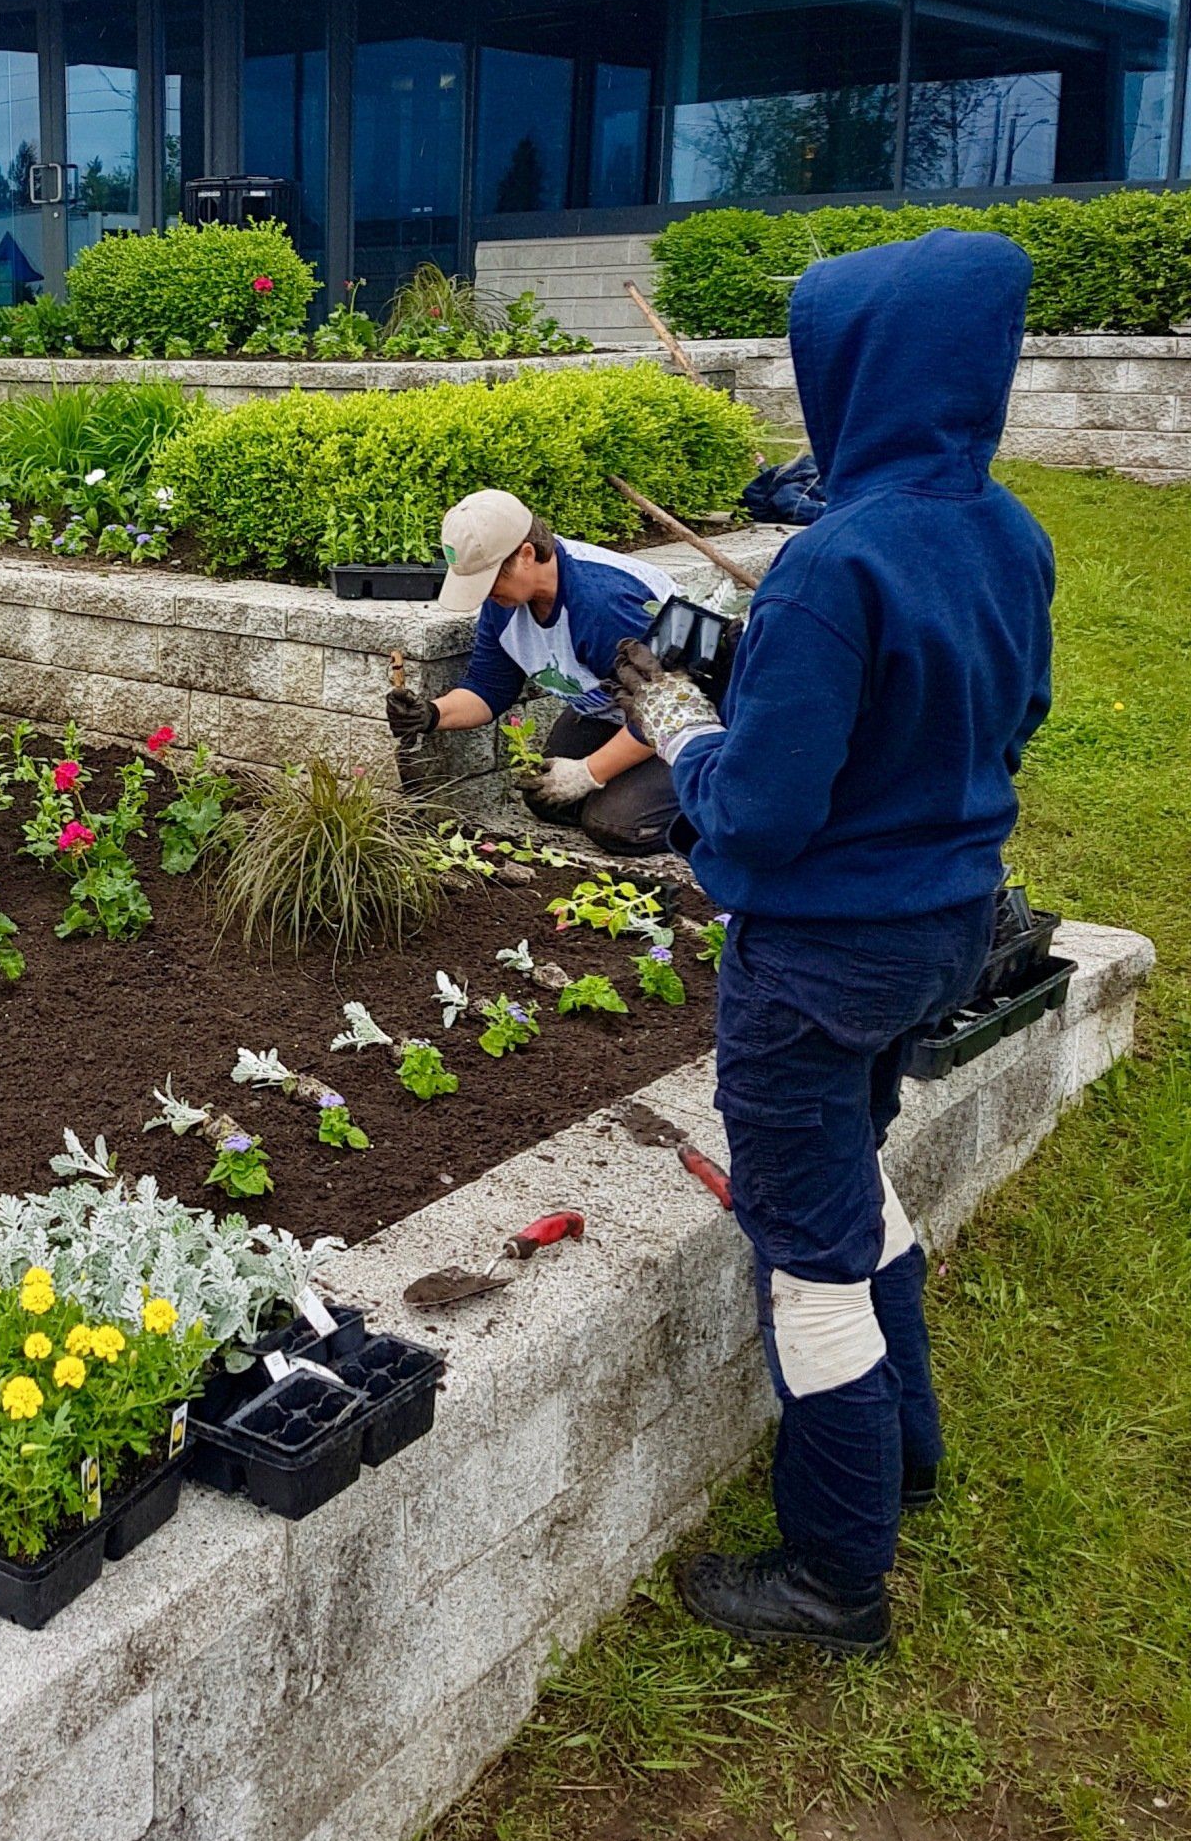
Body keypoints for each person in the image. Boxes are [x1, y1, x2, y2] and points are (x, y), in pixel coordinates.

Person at [614, 228, 1054, 1658]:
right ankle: (905, 1451)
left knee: (806, 1255)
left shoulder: (829, 569)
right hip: (943, 929)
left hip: (814, 969)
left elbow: (757, 825)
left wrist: (682, 732)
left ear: (854, 372)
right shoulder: (1009, 532)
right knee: (858, 1182)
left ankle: (834, 1577)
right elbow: (1008, 719)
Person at [385, 487, 680, 854]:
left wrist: (589, 772)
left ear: (526, 554)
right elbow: (488, 686)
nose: (485, 594)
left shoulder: (602, 603)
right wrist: (431, 714)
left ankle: (730, 799)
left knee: (616, 825)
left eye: (489, 580)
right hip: (616, 710)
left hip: (695, 717)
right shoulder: (505, 601)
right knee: (546, 797)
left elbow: (667, 709)